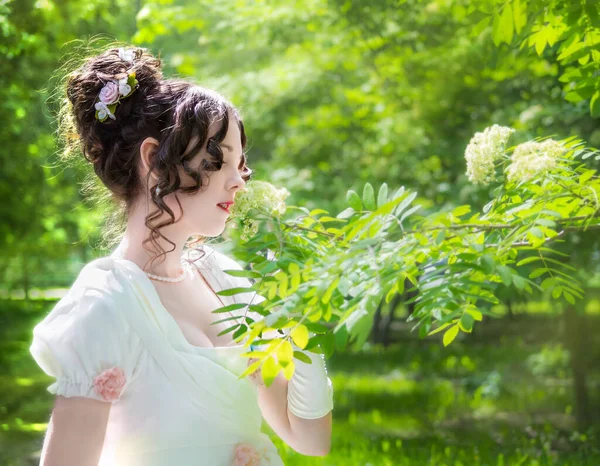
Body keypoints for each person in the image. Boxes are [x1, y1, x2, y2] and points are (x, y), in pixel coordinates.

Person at [29, 44, 333, 466]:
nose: (238, 183)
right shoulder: (105, 306)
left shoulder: (227, 282)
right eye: (216, 161)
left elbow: (310, 438)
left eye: (240, 165)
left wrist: (306, 330)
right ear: (154, 159)